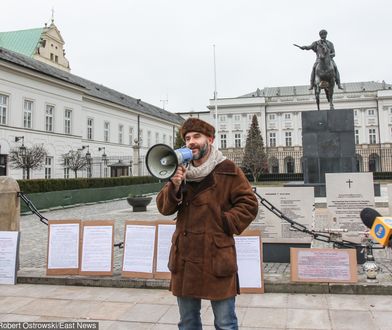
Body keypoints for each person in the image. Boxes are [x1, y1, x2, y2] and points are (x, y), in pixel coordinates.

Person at [156, 117, 258, 330]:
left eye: (197, 137)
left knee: (225, 323)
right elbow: (164, 208)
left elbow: (249, 204)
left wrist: (224, 222)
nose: (191, 142)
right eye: (187, 138)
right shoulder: (180, 171)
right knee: (188, 323)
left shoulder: (228, 169)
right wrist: (173, 186)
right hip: (185, 257)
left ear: (210, 140)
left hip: (216, 255)